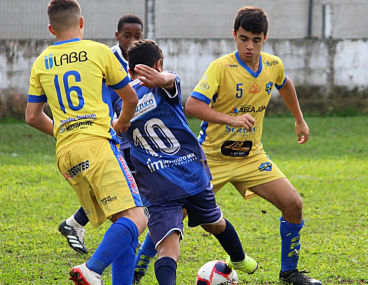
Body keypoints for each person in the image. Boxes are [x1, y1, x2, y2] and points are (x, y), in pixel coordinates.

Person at [136, 6, 321, 285]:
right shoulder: (221, 68)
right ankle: (138, 269)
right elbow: (193, 105)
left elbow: (284, 83)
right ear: (234, 35)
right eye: (244, 38)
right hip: (210, 158)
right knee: (175, 215)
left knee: (294, 204)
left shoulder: (272, 65)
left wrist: (299, 119)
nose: (249, 46)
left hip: (251, 157)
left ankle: (290, 271)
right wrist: (231, 120)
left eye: (256, 40)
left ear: (265, 39)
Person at [116, 39, 257, 285]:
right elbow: (171, 79)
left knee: (168, 250)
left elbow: (120, 131)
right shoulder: (166, 87)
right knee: (215, 223)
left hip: (156, 185)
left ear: (129, 71)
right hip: (190, 174)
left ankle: (239, 258)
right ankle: (240, 258)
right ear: (159, 63)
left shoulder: (122, 102)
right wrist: (164, 78)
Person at [25, 1, 147, 284]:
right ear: (81, 23)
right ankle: (91, 268)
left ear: (51, 29)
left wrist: (65, 132)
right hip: (98, 145)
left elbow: (32, 116)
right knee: (138, 218)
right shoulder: (99, 51)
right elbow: (130, 98)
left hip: (66, 153)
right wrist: (120, 124)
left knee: (122, 221)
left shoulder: (41, 61)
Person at [58, 14, 157, 260]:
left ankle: (77, 223)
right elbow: (121, 96)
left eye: (137, 36)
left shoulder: (141, 58)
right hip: (112, 133)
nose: (132, 40)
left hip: (129, 132)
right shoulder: (106, 56)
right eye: (127, 35)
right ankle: (106, 246)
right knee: (132, 191)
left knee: (126, 190)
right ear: (117, 35)